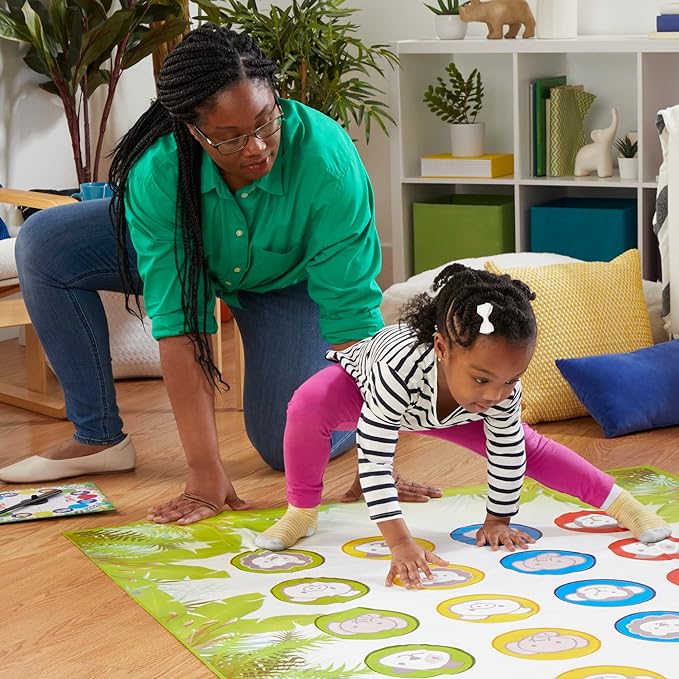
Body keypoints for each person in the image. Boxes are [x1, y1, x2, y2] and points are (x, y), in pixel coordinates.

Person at [0, 25, 440, 521]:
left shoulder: (327, 162)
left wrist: (375, 461)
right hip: (191, 247)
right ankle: (98, 436)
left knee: (283, 442)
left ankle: (371, 413)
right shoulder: (161, 171)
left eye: (265, 121)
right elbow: (181, 325)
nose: (256, 148)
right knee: (44, 243)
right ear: (193, 130)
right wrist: (204, 470)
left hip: (287, 283)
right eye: (230, 137)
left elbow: (354, 318)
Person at [255, 264, 672, 588]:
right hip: (367, 392)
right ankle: (302, 512)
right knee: (306, 405)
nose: (497, 393)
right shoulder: (397, 370)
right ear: (442, 348)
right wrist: (401, 542)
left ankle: (623, 504)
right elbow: (374, 461)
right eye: (482, 379)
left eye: (510, 379)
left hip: (453, 408)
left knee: (530, 447)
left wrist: (498, 519)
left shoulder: (498, 390)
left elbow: (508, 451)